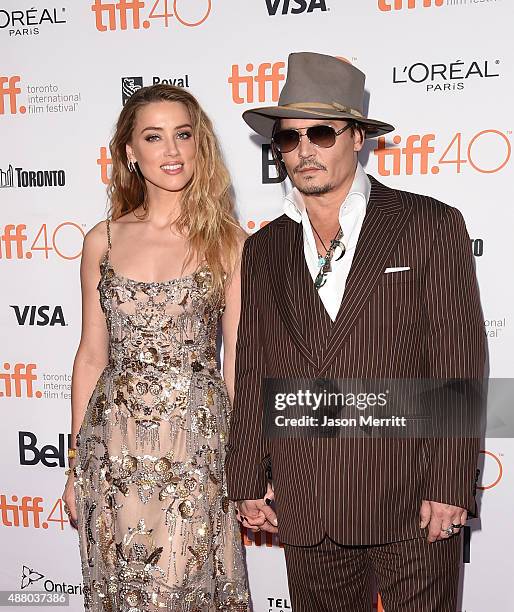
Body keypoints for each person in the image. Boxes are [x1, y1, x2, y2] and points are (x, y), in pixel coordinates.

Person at [225, 52, 485, 611]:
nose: (304, 150)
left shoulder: (428, 225)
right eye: (289, 138)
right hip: (307, 496)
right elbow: (253, 369)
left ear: (358, 137)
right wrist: (247, 475)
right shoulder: (264, 248)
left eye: (321, 132)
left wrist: (449, 485)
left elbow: (457, 362)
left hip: (412, 495)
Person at [62, 84, 249, 611]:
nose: (171, 150)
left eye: (183, 135)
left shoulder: (229, 241)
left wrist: (237, 458)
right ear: (130, 152)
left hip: (193, 445)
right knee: (122, 590)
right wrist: (76, 463)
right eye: (154, 137)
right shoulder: (103, 239)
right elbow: (92, 355)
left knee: (182, 591)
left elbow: (235, 354)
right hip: (112, 448)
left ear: (199, 145)